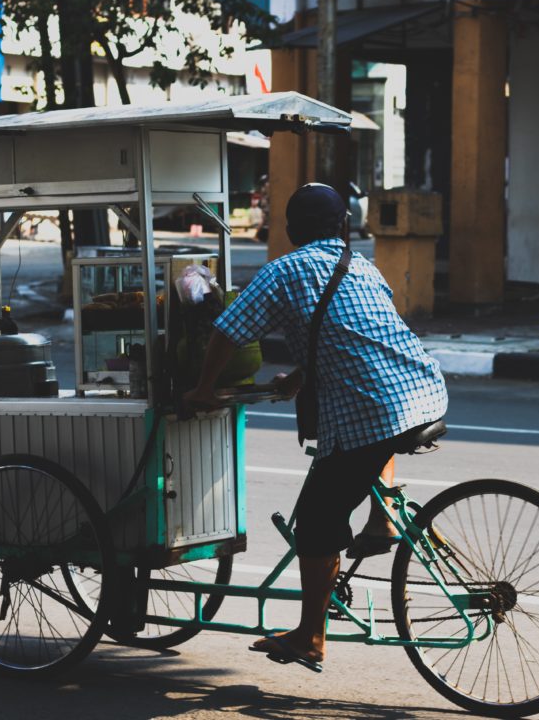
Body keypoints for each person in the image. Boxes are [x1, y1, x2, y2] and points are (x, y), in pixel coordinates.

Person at [183, 182, 447, 672]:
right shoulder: (363, 265)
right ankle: (382, 517)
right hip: (423, 389)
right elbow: (353, 333)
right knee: (370, 429)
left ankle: (310, 636)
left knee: (318, 523)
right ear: (345, 226)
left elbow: (227, 329)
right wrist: (301, 377)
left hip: (374, 408)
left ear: (289, 231)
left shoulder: (283, 270)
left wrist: (202, 390)